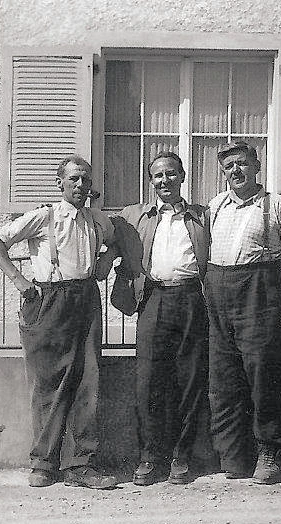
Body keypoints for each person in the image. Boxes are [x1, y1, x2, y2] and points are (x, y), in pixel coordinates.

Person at [0, 155, 119, 489]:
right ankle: (44, 463)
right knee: (48, 383)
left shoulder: (97, 220)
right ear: (60, 183)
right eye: (73, 179)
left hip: (86, 298)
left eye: (85, 180)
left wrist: (105, 262)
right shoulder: (44, 217)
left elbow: (114, 243)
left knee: (88, 381)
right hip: (48, 300)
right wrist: (17, 279)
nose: (80, 185)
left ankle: (80, 465)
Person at [105, 152, 211, 486]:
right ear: (151, 181)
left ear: (182, 176)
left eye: (170, 174)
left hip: (192, 298)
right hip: (152, 299)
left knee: (190, 379)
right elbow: (101, 229)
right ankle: (150, 457)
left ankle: (182, 458)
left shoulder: (202, 216)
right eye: (157, 176)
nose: (164, 181)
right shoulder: (134, 216)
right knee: (149, 380)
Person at [205, 140, 281, 485]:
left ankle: (269, 453)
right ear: (222, 173)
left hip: (260, 294)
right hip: (219, 293)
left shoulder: (276, 205)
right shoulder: (216, 206)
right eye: (229, 167)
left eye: (242, 164)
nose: (236, 171)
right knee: (224, 378)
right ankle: (233, 456)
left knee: (263, 374)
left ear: (257, 166)